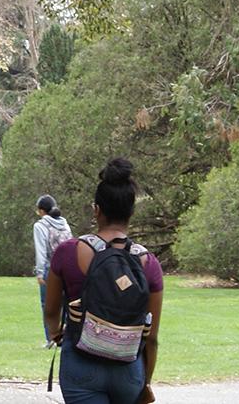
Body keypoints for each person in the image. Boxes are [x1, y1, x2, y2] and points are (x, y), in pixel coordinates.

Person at [44, 158, 165, 404]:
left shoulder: (67, 252)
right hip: (128, 370)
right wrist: (147, 383)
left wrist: (58, 333)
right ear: (131, 212)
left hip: (80, 364)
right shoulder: (148, 263)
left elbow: (50, 311)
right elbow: (151, 337)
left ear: (96, 210)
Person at [33, 194, 71, 346]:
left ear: (42, 211)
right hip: (68, 268)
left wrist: (40, 272)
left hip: (51, 268)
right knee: (67, 304)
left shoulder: (40, 226)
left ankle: (51, 338)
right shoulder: (65, 224)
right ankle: (68, 338)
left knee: (48, 304)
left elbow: (41, 251)